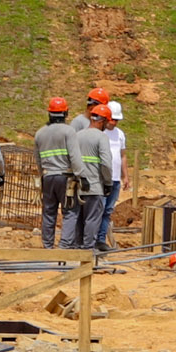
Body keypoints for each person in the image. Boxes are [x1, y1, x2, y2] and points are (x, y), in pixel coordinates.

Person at [78, 98, 127, 253]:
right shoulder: (100, 135)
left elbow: (122, 155)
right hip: (97, 181)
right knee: (93, 215)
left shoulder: (119, 135)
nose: (112, 123)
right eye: (110, 120)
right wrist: (106, 181)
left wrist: (125, 176)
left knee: (99, 212)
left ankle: (92, 242)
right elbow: (105, 162)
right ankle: (88, 246)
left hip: (98, 181)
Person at [33, 97, 76, 247]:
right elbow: (74, 156)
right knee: (70, 211)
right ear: (66, 113)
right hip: (65, 177)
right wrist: (80, 175)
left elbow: (38, 159)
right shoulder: (69, 131)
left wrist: (42, 175)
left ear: (49, 113)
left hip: (48, 176)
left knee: (48, 212)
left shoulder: (40, 133)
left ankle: (48, 246)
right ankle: (64, 246)